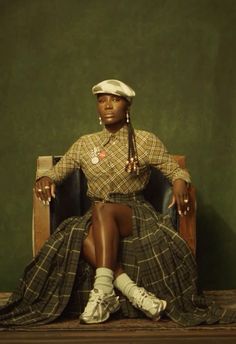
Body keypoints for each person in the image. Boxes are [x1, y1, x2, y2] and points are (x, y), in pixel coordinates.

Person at [0, 79, 235, 327]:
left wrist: (179, 183)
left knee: (99, 211)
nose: (108, 105)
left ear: (127, 106)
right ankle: (132, 292)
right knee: (80, 231)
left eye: (115, 99)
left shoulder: (145, 141)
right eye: (102, 101)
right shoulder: (85, 144)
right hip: (99, 213)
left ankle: (102, 291)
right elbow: (56, 173)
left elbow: (175, 170)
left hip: (134, 212)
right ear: (97, 108)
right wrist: (45, 177)